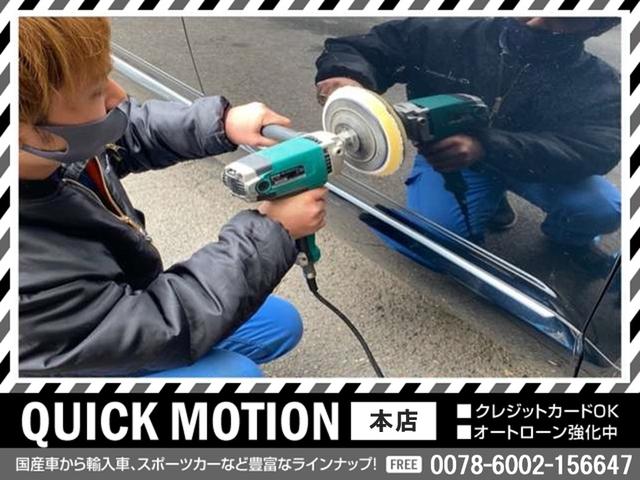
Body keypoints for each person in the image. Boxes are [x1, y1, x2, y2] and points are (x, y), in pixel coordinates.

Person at [19, 17, 328, 377]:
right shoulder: (24, 276)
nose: (118, 97)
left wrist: (222, 124)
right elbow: (155, 326)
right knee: (237, 374)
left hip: (109, 309)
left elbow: (128, 131)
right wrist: (273, 230)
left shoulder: (49, 147)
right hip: (82, 347)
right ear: (25, 131)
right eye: (95, 92)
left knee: (278, 323)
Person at [315, 17, 621, 273]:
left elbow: (598, 148)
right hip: (448, 158)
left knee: (604, 209)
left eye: (562, 18)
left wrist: (487, 145)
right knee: (436, 244)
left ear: (599, 25)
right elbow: (366, 47)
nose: (535, 21)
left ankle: (568, 239)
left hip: (532, 165)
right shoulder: (447, 34)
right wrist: (345, 75)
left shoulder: (599, 84)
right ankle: (488, 205)